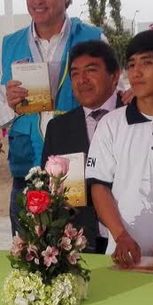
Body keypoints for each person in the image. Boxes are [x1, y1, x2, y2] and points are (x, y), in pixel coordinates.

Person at [0, 0, 104, 234]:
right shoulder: (9, 45)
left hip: (79, 172)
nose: (37, 1)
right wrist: (10, 106)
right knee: (30, 261)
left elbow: (113, 98)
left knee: (82, 257)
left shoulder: (93, 38)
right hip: (27, 174)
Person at [87, 28, 153, 266]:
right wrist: (120, 234)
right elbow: (99, 187)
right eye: (131, 65)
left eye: (146, 63)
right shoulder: (111, 124)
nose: (136, 73)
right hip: (123, 254)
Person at [41, 40, 121, 253]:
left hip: (131, 234)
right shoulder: (58, 128)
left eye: (91, 70)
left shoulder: (135, 116)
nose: (82, 80)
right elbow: (48, 188)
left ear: (115, 76)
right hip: (80, 242)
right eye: (75, 74)